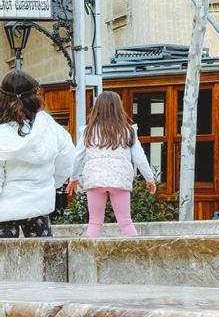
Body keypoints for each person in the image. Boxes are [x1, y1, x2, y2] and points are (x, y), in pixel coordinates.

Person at [66, 91, 156, 237]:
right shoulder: (128, 131)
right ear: (119, 108)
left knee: (94, 222)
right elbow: (140, 158)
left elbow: (78, 157)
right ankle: (135, 254)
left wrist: (73, 178)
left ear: (97, 109)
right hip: (119, 180)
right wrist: (150, 179)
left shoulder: (88, 132)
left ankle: (90, 257)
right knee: (126, 222)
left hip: (95, 179)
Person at [0, 70, 75, 238]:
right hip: (38, 204)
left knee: (3, 261)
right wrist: (50, 184)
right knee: (44, 260)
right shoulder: (50, 128)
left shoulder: (2, 133)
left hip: (4, 208)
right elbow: (67, 161)